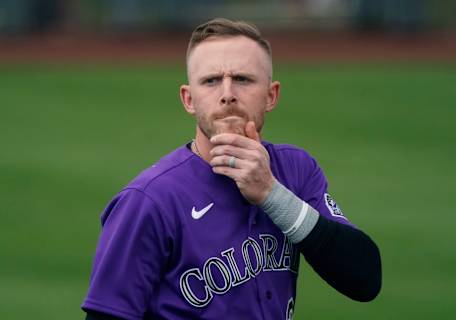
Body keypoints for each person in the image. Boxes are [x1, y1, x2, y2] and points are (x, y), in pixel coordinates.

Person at [82, 18, 382, 320]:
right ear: (188, 99)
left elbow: (365, 279)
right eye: (211, 81)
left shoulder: (295, 171)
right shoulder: (149, 201)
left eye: (243, 79)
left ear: (271, 95)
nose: (227, 93)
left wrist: (271, 194)